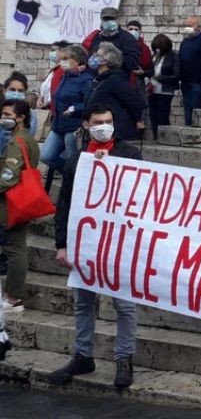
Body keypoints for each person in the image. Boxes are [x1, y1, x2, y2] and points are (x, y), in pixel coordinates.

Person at [49, 106, 141, 388]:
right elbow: (64, 202)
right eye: (99, 122)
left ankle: (124, 358)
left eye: (109, 122)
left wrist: (109, 165)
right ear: (87, 125)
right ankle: (83, 355)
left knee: (124, 305)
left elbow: (139, 192)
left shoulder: (129, 154)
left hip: (119, 243)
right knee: (83, 303)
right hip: (86, 241)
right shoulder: (77, 158)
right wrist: (62, 244)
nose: (105, 126)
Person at [0, 99, 40, 313]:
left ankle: (13, 297)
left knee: (15, 249)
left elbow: (9, 176)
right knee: (16, 247)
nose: (4, 118)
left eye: (8, 115)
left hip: (10, 203)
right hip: (21, 200)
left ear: (21, 117)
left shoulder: (17, 142)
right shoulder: (28, 139)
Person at [40, 44, 92, 172]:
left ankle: (72, 179)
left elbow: (90, 102)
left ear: (77, 61)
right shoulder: (65, 76)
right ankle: (69, 174)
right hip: (58, 125)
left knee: (71, 158)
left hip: (73, 127)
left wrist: (75, 108)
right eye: (62, 59)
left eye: (66, 59)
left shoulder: (86, 80)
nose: (62, 62)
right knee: (46, 156)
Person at [84, 43, 145, 141]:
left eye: (98, 55)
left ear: (106, 61)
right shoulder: (99, 79)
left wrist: (137, 120)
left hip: (115, 131)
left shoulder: (116, 79)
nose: (93, 57)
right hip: (98, 129)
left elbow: (133, 101)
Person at [83, 7, 141, 74]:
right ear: (101, 20)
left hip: (117, 78)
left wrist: (111, 59)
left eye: (111, 19)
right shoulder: (97, 37)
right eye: (105, 19)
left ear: (117, 20)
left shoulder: (127, 38)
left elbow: (133, 62)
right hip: (95, 78)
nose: (108, 22)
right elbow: (91, 55)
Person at [147, 33, 178, 140]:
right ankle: (156, 137)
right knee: (153, 117)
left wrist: (159, 77)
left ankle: (164, 137)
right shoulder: (154, 56)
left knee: (162, 116)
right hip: (152, 90)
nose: (157, 50)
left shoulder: (173, 57)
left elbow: (176, 76)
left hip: (165, 91)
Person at [125, 19, 154, 88]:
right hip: (122, 80)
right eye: (130, 29)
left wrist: (143, 72)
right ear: (126, 31)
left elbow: (151, 70)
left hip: (138, 83)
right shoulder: (121, 45)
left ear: (140, 32)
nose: (133, 31)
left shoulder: (145, 49)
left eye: (136, 29)